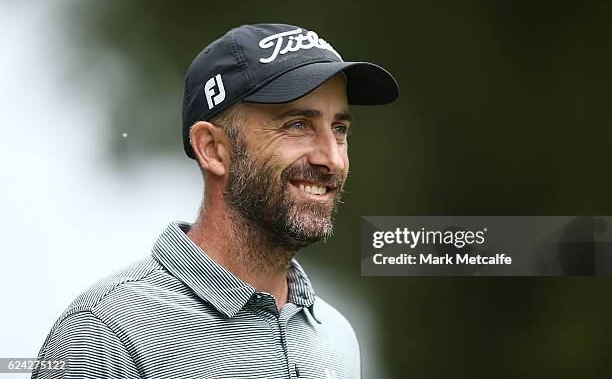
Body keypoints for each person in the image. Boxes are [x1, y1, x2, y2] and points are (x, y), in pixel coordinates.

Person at [32, 23, 399, 379]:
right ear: (212, 149)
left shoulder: (335, 336)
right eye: (298, 125)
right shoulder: (104, 335)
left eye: (339, 129)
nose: (331, 159)